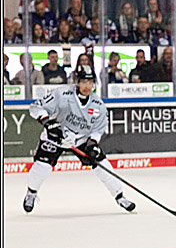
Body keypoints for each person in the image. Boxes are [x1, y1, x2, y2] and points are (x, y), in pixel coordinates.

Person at [22, 64, 135, 214]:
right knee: (42, 167)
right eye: (83, 82)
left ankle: (120, 197)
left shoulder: (98, 105)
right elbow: (36, 107)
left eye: (90, 83)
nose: (87, 86)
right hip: (56, 138)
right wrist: (48, 122)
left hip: (80, 140)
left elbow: (98, 129)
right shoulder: (61, 94)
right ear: (76, 82)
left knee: (103, 165)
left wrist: (92, 144)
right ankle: (31, 193)